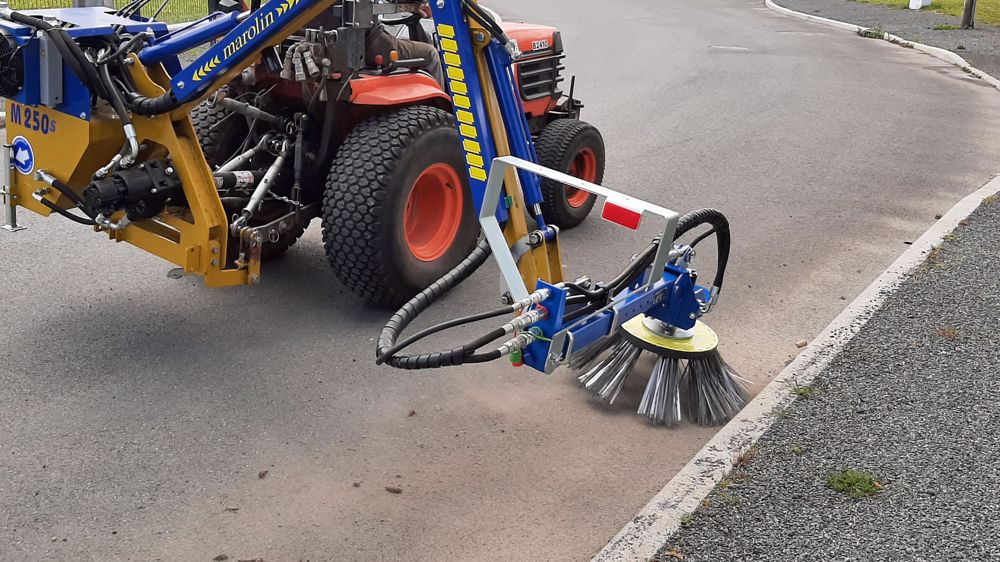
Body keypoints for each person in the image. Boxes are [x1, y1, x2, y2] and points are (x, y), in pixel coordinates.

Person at [364, 1, 444, 86]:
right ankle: (439, 98)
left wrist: (413, 7)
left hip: (360, 44)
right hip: (373, 45)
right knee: (430, 53)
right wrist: (421, 4)